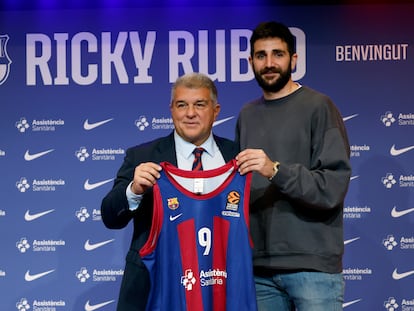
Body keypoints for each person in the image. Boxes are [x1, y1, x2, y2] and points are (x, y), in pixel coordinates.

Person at [235, 21, 352, 311]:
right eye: (261, 56)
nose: (270, 63)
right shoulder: (247, 115)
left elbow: (331, 189)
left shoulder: (319, 107)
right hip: (259, 269)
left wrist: (274, 169)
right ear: (251, 62)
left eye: (278, 54)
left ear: (294, 59)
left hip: (312, 268)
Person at [101, 72, 240, 311]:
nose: (190, 113)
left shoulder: (237, 157)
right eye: (181, 105)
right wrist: (133, 189)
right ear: (171, 109)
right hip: (155, 284)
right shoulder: (143, 156)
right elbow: (110, 216)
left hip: (219, 282)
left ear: (216, 110)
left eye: (199, 104)